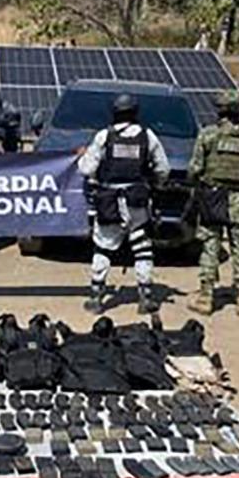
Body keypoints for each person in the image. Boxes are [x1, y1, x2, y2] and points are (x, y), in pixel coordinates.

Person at [77, 94, 171, 315]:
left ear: (114, 112)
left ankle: (97, 297)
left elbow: (86, 169)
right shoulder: (148, 136)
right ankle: (145, 297)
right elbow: (163, 169)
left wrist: (83, 156)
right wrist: (154, 184)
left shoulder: (104, 136)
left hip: (108, 202)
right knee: (142, 248)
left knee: (103, 247)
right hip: (137, 202)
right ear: (135, 112)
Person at [188, 89, 239, 317]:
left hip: (213, 199)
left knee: (210, 245)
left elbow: (195, 169)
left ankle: (206, 298)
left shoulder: (208, 135)